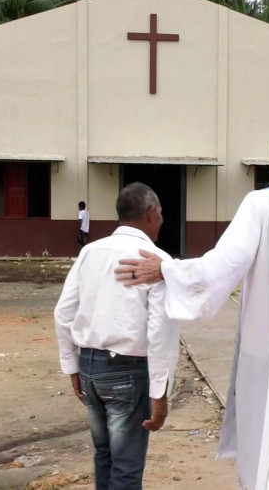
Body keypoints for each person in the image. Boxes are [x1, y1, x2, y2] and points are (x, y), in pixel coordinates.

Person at [115, 132, 269, 490]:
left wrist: (168, 270)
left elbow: (225, 264)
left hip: (264, 350)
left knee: (260, 435)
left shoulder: (260, 204)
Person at [54, 184, 180, 490]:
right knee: (126, 466)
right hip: (129, 371)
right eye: (161, 213)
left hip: (89, 368)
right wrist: (161, 394)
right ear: (151, 213)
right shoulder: (158, 261)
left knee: (105, 457)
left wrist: (72, 367)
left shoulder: (89, 252)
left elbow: (63, 313)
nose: (162, 221)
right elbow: (161, 331)